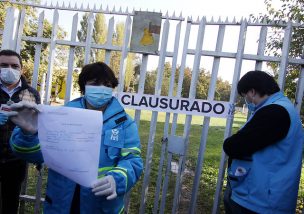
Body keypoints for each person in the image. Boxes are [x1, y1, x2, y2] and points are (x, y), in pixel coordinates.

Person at [9, 61, 143, 213]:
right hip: (63, 202)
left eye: (106, 84)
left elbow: (132, 160)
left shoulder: (124, 122)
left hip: (101, 204)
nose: (101, 89)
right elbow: (37, 156)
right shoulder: (61, 116)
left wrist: (117, 179)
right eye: (94, 83)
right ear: (83, 87)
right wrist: (29, 133)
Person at [223, 70, 303, 213]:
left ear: (252, 92)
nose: (246, 101)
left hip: (258, 200)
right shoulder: (281, 107)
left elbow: (237, 145)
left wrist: (229, 142)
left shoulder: (275, 112)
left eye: (245, 96)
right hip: (263, 195)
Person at [0, 49, 41, 214]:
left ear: (21, 69)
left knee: (10, 203)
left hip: (16, 160)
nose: (9, 69)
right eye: (3, 65)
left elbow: (38, 124)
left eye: (14, 65)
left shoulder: (31, 94)